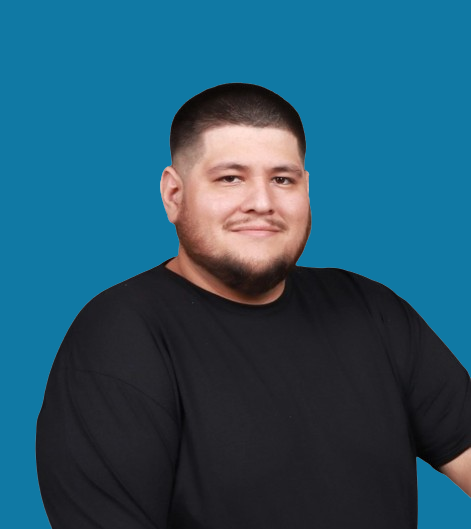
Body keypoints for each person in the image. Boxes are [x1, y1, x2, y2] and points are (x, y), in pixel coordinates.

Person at [36, 83, 471, 528]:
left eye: (282, 179)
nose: (262, 203)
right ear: (173, 195)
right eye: (230, 178)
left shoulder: (372, 311)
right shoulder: (119, 338)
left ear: (306, 189)